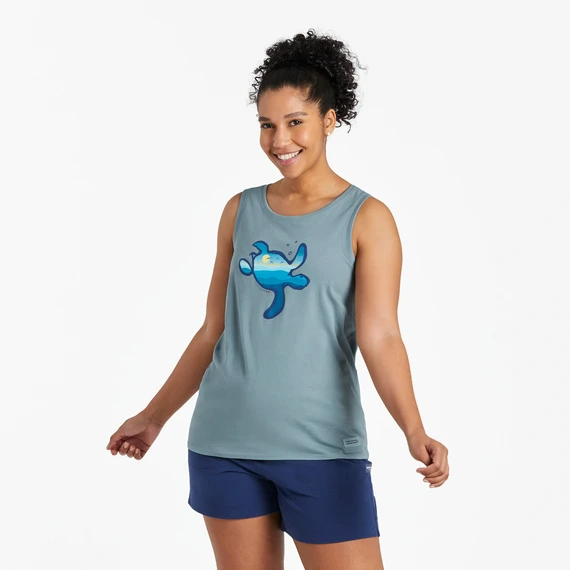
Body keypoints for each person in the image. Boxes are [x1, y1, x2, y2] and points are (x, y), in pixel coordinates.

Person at [106, 28, 450, 570]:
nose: (279, 140)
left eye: (295, 122)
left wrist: (413, 428)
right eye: (267, 125)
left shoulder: (368, 218)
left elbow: (381, 335)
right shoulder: (240, 210)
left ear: (329, 120)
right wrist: (154, 417)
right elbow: (214, 329)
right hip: (224, 445)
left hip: (321, 449)